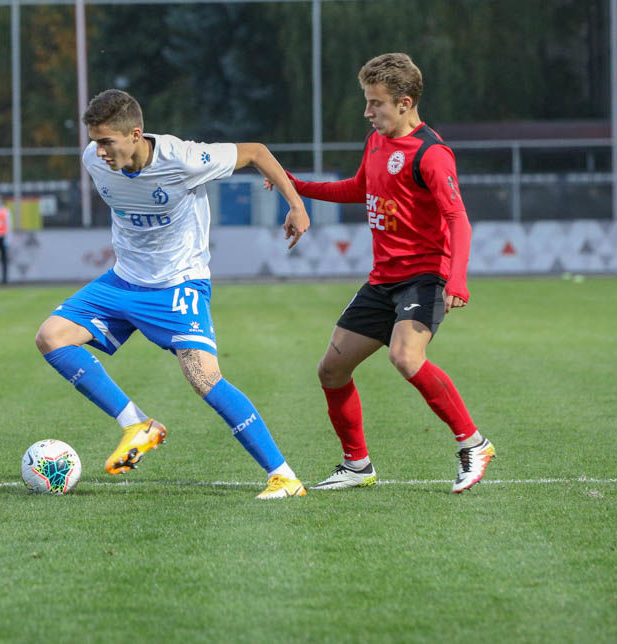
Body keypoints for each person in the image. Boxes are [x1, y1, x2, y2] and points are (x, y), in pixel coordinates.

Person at [35, 89, 312, 499]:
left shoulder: (182, 158)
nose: (99, 151)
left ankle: (284, 476)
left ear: (136, 134)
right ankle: (136, 424)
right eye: (94, 141)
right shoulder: (94, 160)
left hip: (178, 284)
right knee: (51, 336)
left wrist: (296, 205)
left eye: (107, 141)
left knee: (204, 379)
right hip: (123, 280)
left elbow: (255, 152)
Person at [269, 52, 493, 494]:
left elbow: (458, 219)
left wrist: (457, 280)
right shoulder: (376, 142)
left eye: (376, 103)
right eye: (367, 101)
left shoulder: (431, 154)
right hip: (382, 280)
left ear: (405, 103)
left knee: (406, 357)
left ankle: (474, 444)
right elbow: (359, 188)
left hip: (424, 276)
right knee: (331, 370)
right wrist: (297, 186)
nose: (367, 112)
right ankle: (357, 465)